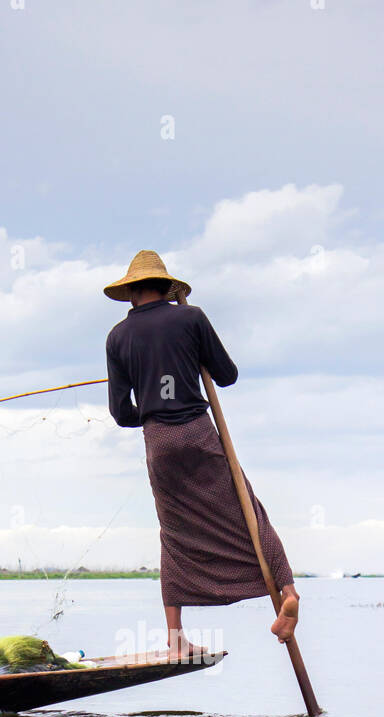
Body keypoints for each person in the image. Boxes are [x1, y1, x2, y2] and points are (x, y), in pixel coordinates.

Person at [104, 250, 300, 659]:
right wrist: (192, 362)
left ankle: (176, 639)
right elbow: (227, 376)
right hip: (198, 431)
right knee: (249, 512)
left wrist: (153, 396)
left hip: (159, 441)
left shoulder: (117, 337)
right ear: (166, 287)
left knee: (173, 535)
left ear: (132, 293)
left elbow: (121, 414)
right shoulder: (190, 318)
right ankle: (288, 591)